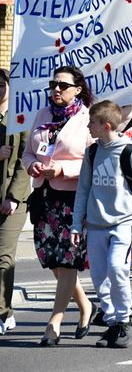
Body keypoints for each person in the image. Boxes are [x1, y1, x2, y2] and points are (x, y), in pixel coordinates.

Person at [70, 100, 132, 348]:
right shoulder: (93, 151)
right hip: (96, 224)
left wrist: (130, 205)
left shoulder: (129, 152)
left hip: (122, 223)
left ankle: (125, 320)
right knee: (98, 276)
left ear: (106, 125)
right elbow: (83, 189)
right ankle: (111, 322)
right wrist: (77, 225)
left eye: (92, 123)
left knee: (117, 268)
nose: (88, 127)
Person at [22, 65, 95, 346]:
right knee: (53, 262)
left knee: (67, 262)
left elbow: (91, 160)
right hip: (43, 197)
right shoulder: (41, 115)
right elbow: (28, 152)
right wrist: (33, 166)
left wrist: (62, 170)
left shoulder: (87, 119)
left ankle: (54, 322)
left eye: (63, 85)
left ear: (77, 89)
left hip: (71, 198)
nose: (56, 89)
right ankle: (86, 306)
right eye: (53, 84)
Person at [0, 69, 31, 335]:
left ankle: (2, 313)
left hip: (12, 200)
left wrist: (12, 196)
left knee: (3, 256)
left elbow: (24, 161)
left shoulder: (20, 119)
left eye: (1, 85)